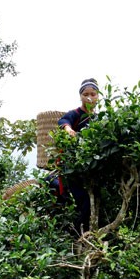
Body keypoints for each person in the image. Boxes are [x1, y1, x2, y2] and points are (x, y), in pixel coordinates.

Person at [58, 78, 99, 234]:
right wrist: (68, 130)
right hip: (73, 167)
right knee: (83, 201)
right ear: (80, 96)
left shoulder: (98, 118)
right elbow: (64, 121)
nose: (89, 97)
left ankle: (83, 232)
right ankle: (75, 234)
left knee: (92, 202)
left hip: (90, 168)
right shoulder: (75, 114)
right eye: (86, 94)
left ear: (98, 96)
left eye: (93, 94)